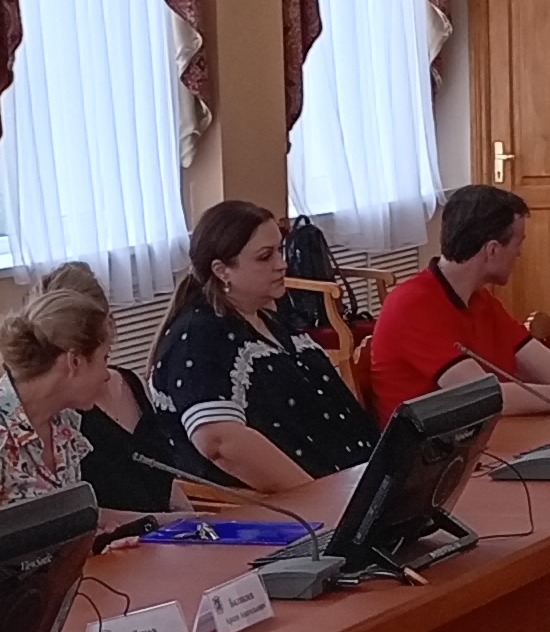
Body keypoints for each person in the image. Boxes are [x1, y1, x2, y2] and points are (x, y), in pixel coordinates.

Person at [150, 202, 381, 491]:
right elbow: (220, 443)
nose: (282, 263)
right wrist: (322, 498)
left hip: (351, 481)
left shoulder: (270, 319)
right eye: (265, 256)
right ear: (222, 270)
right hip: (296, 502)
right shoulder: (198, 337)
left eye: (279, 250)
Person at [365, 184, 550, 421]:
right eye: (518, 244)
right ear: (492, 250)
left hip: (481, 436)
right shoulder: (412, 305)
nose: (519, 254)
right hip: (428, 447)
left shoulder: (480, 299)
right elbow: (487, 397)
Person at [0, 285, 115, 520]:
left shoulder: (63, 421)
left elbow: (76, 519)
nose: (107, 375)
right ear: (74, 361)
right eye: (104, 358)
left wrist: (154, 521)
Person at [33, 263, 197, 511]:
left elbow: (161, 482)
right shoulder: (57, 414)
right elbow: (80, 515)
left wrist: (191, 518)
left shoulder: (132, 383)